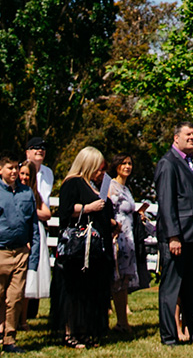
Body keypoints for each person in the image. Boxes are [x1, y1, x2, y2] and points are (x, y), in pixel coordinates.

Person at [0, 153, 46, 355]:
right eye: (10, 168)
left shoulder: (26, 194)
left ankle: (10, 339)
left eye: (16, 168)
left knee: (15, 298)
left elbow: (33, 227)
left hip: (21, 252)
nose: (14, 172)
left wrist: (33, 259)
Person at [154, 122, 193, 346]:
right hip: (178, 237)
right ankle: (170, 336)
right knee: (172, 287)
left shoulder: (191, 162)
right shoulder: (168, 163)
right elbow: (167, 202)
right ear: (175, 137)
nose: (192, 137)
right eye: (187, 134)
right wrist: (173, 236)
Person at [58, 147, 115, 350]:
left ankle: (87, 330)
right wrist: (87, 209)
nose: (102, 173)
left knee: (90, 292)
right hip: (77, 249)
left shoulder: (95, 186)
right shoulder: (73, 182)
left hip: (95, 249)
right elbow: (64, 210)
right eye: (99, 169)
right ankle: (69, 332)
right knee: (74, 291)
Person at [107, 154, 151, 332]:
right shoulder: (111, 185)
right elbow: (107, 208)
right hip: (117, 236)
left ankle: (122, 320)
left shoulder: (127, 188)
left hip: (129, 236)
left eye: (130, 163)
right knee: (116, 278)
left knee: (124, 279)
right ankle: (120, 320)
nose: (127, 166)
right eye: (123, 163)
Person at [21, 140, 55, 329]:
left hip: (39, 222)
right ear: (27, 152)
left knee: (32, 273)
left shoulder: (47, 173)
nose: (40, 151)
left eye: (42, 148)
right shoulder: (20, 172)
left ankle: (26, 315)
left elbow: (46, 209)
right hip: (23, 228)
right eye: (35, 148)